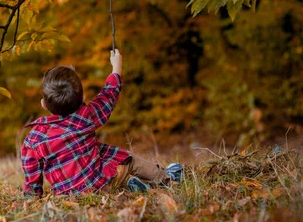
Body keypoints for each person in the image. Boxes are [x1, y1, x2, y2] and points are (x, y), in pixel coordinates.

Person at [21, 49, 183, 196]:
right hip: (101, 185)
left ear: (43, 104)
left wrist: (33, 196)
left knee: (104, 153)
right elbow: (108, 95)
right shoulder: (85, 117)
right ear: (82, 99)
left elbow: (31, 174)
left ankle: (139, 188)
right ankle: (167, 179)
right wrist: (116, 69)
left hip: (69, 197)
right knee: (128, 160)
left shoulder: (34, 139)